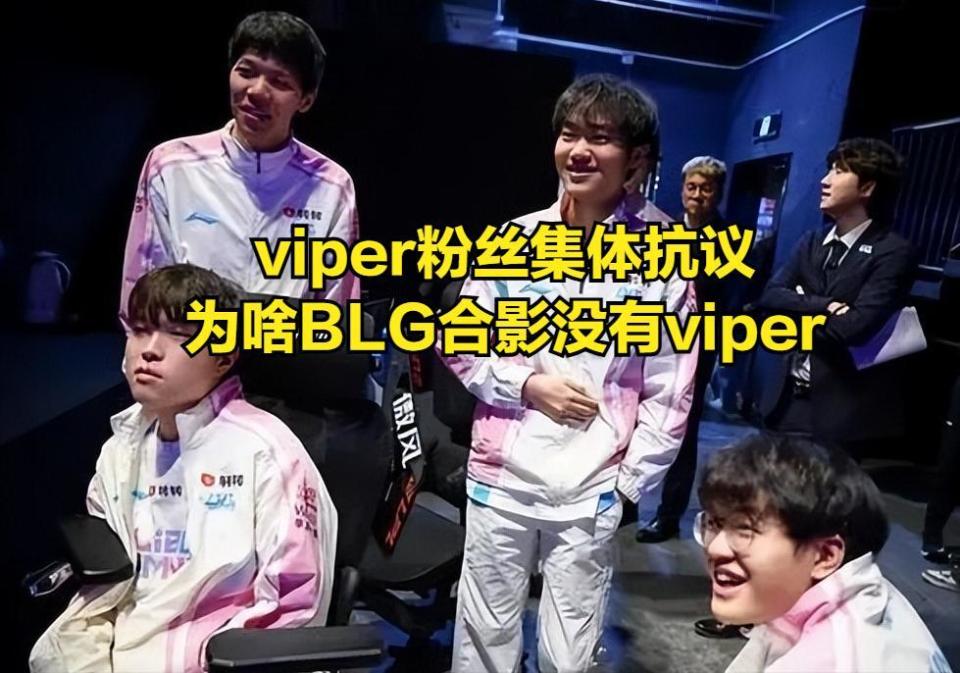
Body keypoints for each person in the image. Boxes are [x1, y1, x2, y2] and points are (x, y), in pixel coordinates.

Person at [442, 74, 697, 673]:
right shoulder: (516, 238)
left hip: (592, 484)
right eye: (568, 134)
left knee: (569, 652)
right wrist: (527, 386)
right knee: (483, 638)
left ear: (636, 158)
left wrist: (628, 485)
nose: (578, 150)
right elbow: (462, 344)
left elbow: (670, 388)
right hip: (503, 476)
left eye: (599, 138)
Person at [31, 264, 337, 673]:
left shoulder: (267, 453)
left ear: (224, 356)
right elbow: (104, 594)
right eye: (140, 330)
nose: (150, 350)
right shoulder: (119, 451)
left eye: (178, 335)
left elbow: (291, 609)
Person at [120, 11, 359, 313]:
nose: (256, 91)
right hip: (192, 340)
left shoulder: (332, 185)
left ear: (306, 100)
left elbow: (337, 309)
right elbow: (143, 289)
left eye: (279, 81)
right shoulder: (170, 165)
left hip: (286, 342)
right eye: (246, 72)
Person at [697, 433, 950, 673]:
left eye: (744, 530)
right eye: (714, 524)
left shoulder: (838, 662)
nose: (715, 548)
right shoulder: (862, 592)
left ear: (825, 556)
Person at [757, 138, 916, 459]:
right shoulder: (812, 240)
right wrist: (824, 306)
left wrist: (794, 309)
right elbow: (770, 297)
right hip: (784, 400)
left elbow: (853, 328)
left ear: (867, 187)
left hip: (839, 411)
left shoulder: (893, 251)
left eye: (839, 171)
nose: (825, 180)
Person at [637, 155, 737, 545]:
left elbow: (717, 291)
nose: (697, 195)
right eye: (691, 187)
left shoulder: (728, 240)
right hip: (648, 338)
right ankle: (628, 503)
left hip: (695, 346)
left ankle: (668, 515)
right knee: (634, 419)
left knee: (682, 428)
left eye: (706, 188)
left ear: (718, 193)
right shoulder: (663, 229)